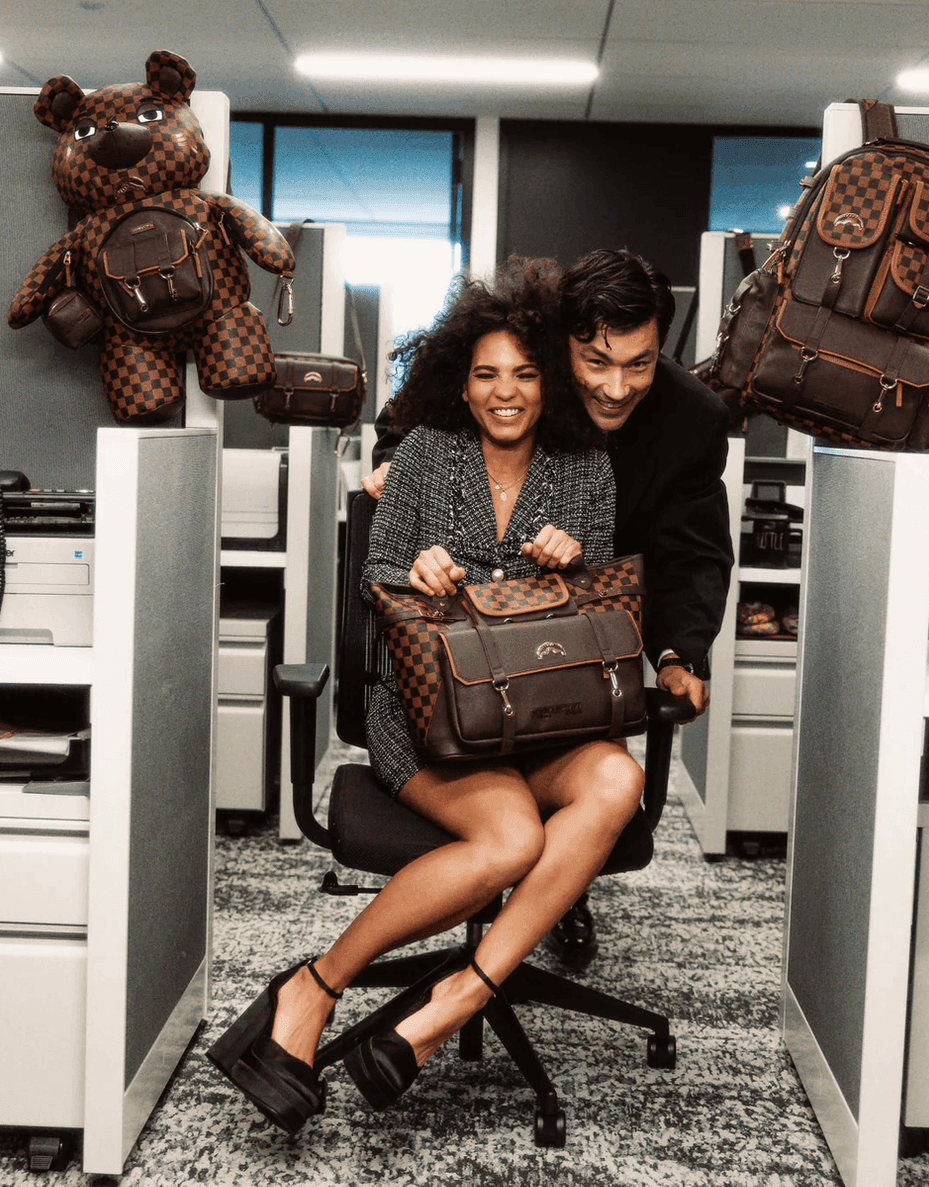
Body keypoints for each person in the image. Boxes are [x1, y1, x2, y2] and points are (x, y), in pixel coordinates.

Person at [208, 257, 648, 1133]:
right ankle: (315, 984)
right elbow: (374, 574)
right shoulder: (423, 456)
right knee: (512, 838)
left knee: (618, 779)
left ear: (550, 382)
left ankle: (459, 994)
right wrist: (415, 569)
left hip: (543, 717)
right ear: (460, 379)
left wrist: (573, 565)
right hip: (435, 718)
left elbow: (600, 607)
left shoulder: (587, 468)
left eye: (525, 373)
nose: (505, 393)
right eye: (486, 374)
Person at [365, 247, 734, 964]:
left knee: (587, 740)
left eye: (640, 363)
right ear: (562, 345)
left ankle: (555, 894)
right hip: (462, 651)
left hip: (582, 634)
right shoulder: (517, 377)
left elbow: (693, 551)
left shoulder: (690, 419)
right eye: (596, 361)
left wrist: (679, 652)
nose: (617, 387)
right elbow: (425, 405)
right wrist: (394, 468)